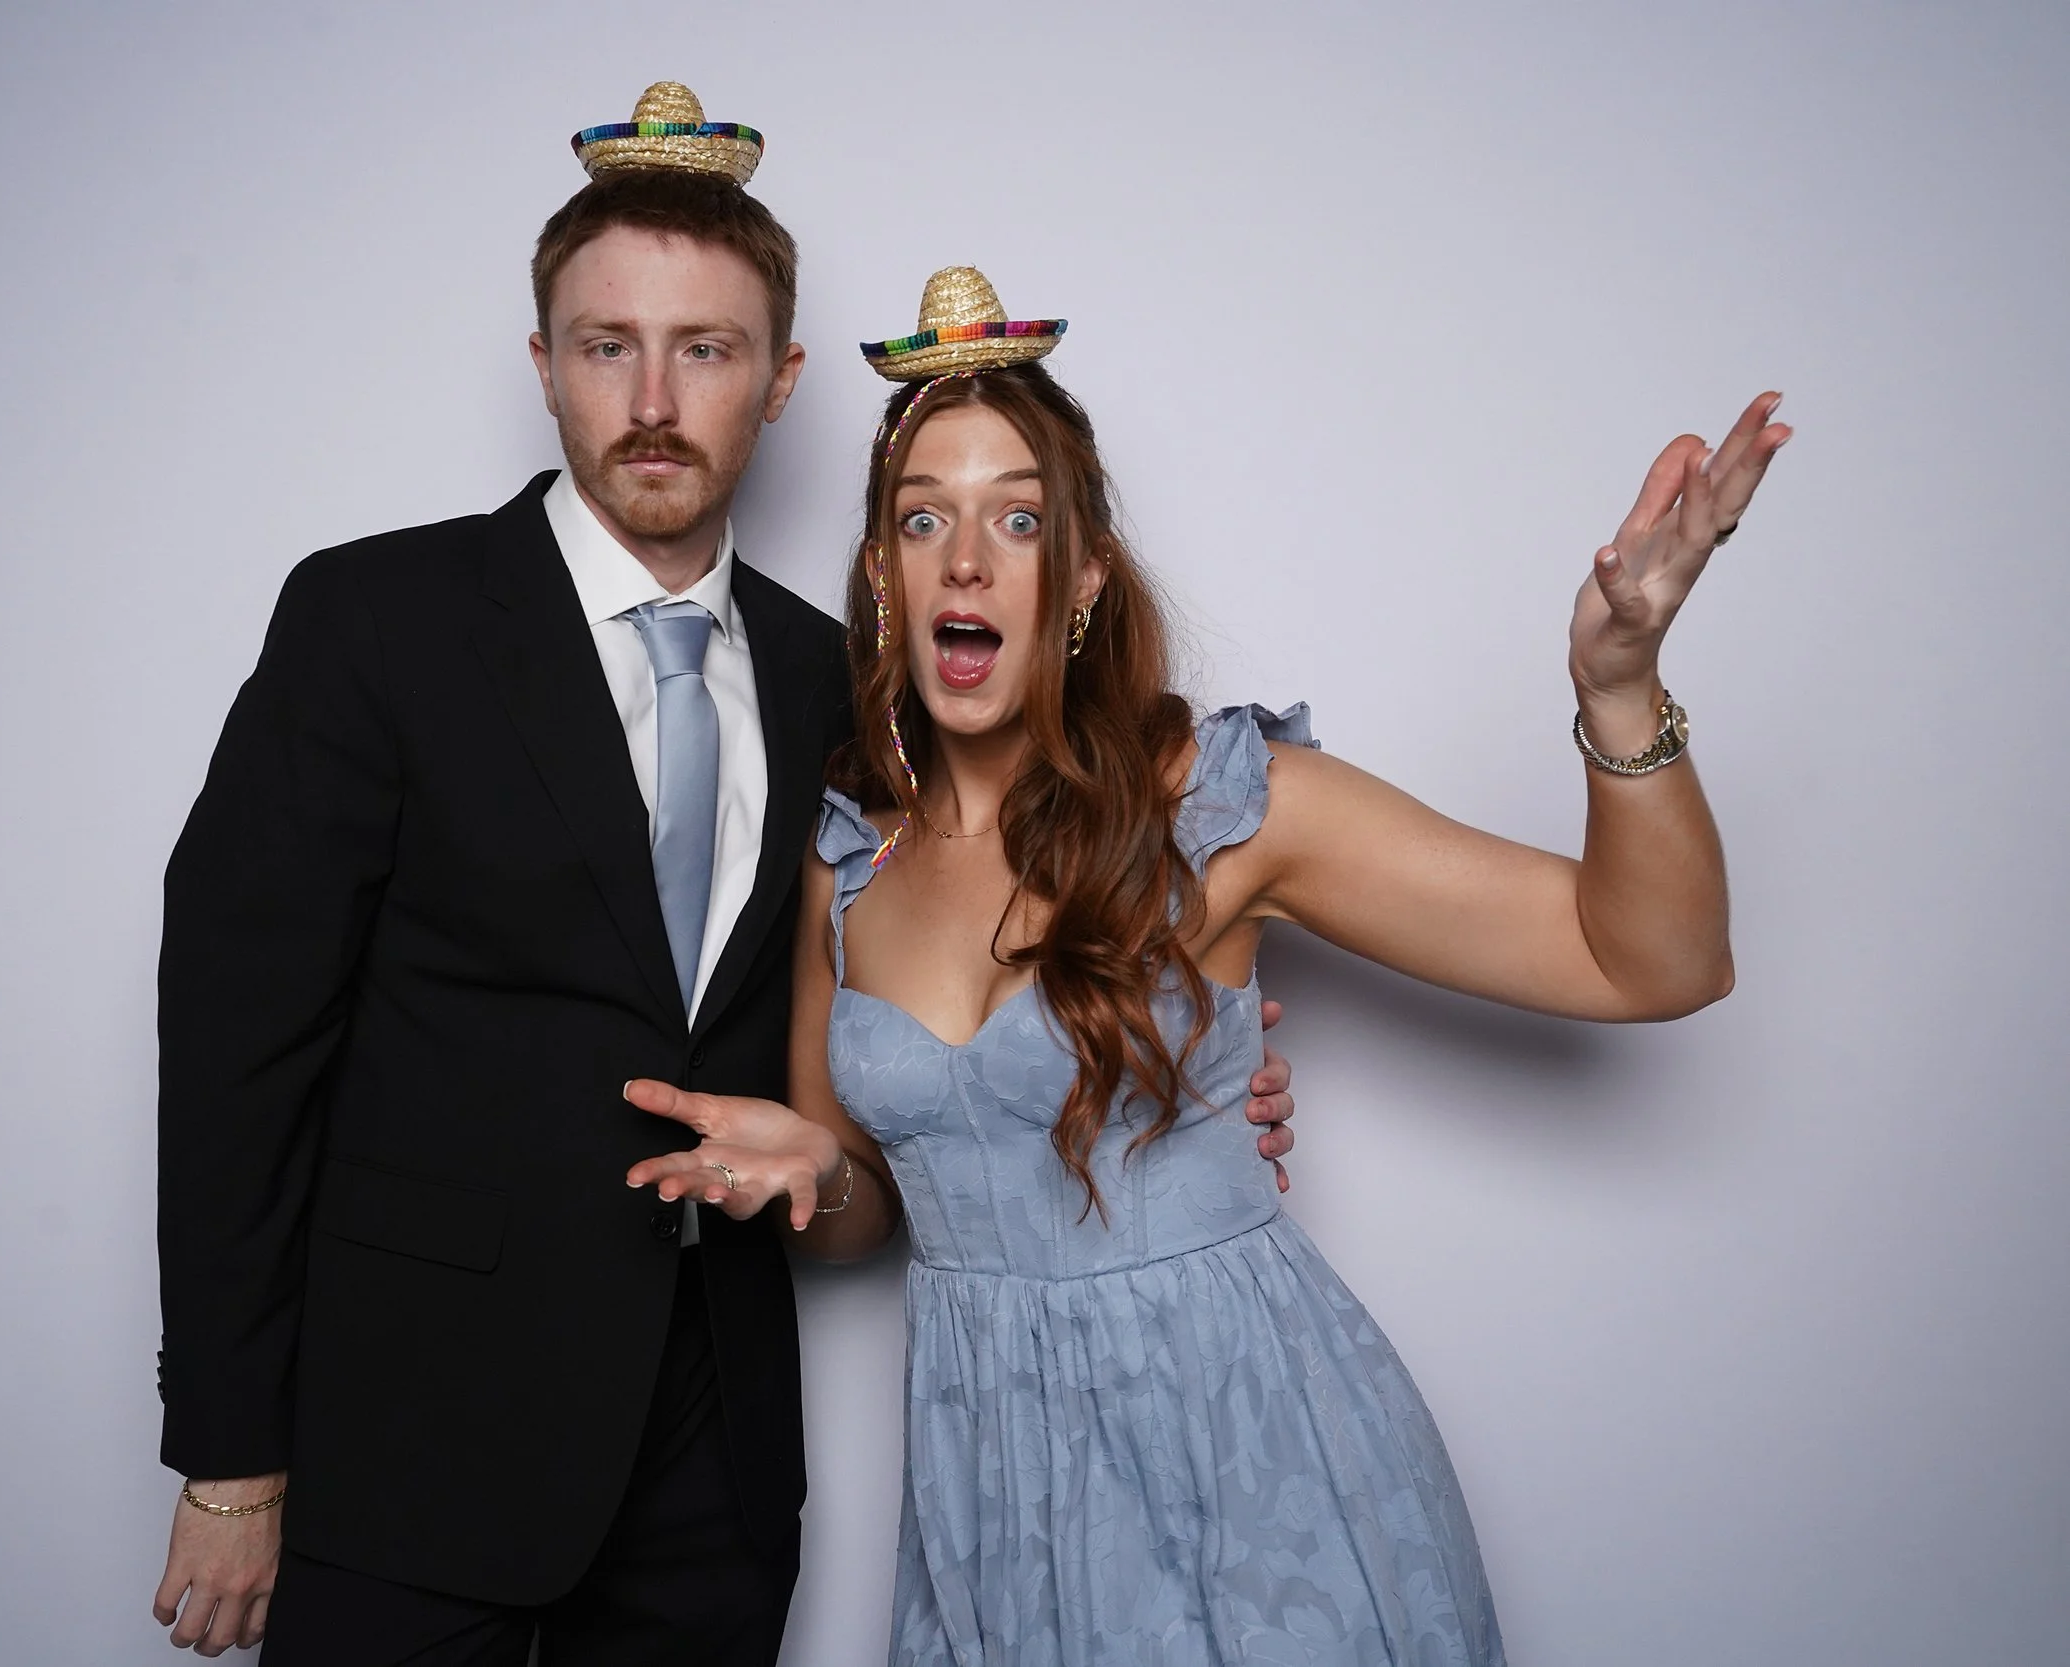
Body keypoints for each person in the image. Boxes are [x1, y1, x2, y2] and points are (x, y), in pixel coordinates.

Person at [148, 98, 1302, 1663]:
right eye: (607, 344)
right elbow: (238, 1045)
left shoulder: (853, 686)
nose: (651, 397)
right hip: (406, 1458)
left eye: (705, 349)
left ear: (782, 382)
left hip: (715, 1469)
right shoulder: (376, 623)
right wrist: (232, 1452)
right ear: (544, 361)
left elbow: (973, 949)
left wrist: (1183, 1049)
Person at [621, 266, 1790, 1665]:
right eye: (923, 518)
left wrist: (1618, 686)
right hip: (989, 1492)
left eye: (1019, 518)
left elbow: (1651, 959)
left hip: (1247, 1454)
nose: (968, 560)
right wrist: (814, 1169)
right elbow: (870, 1216)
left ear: (1085, 576)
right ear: (884, 575)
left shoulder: (1220, 805)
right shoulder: (846, 858)